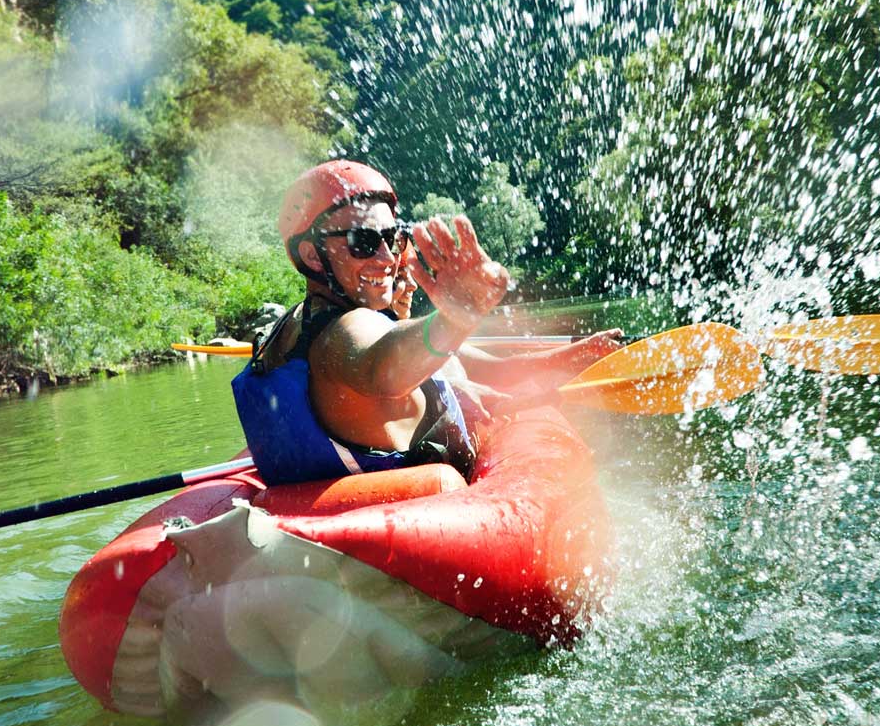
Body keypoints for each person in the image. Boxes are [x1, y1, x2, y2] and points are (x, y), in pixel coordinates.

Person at [234, 160, 624, 486]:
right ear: (313, 256)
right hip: (400, 554)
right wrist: (455, 317)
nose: (387, 258)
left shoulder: (301, 322)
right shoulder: (341, 333)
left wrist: (571, 357)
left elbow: (449, 363)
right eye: (363, 241)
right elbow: (381, 368)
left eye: (394, 238)